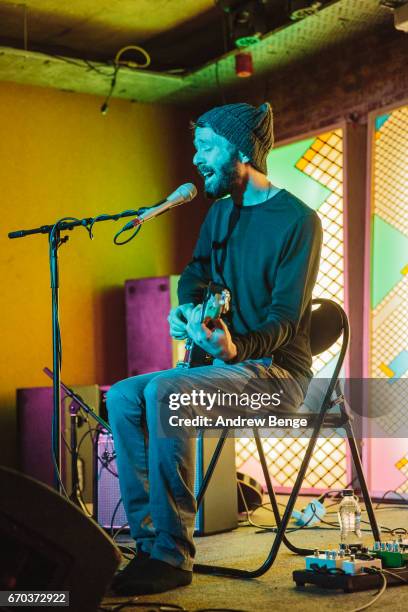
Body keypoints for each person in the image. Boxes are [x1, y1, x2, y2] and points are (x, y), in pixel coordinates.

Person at [106, 102, 322, 595]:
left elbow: (286, 321)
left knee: (165, 392)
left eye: (207, 147)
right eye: (196, 146)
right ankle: (149, 545)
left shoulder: (299, 221)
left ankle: (171, 555)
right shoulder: (220, 213)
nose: (197, 158)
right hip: (225, 369)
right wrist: (187, 310)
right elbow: (197, 275)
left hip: (277, 377)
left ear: (242, 149)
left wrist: (235, 347)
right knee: (121, 395)